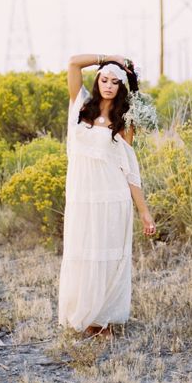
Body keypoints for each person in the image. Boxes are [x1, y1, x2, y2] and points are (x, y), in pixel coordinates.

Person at [58, 53, 157, 339]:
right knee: (83, 254)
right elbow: (73, 62)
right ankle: (87, 315)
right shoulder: (80, 106)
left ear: (122, 87)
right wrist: (111, 57)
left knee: (107, 257)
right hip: (82, 197)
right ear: (97, 80)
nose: (109, 86)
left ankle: (104, 321)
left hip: (111, 198)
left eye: (115, 82)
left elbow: (129, 169)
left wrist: (144, 211)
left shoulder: (123, 121)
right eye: (104, 79)